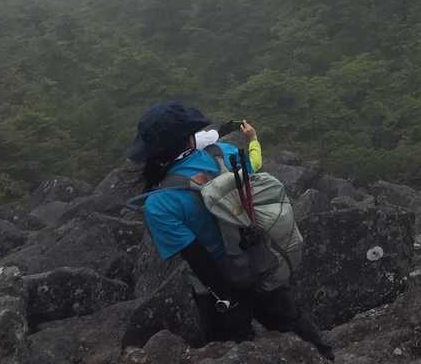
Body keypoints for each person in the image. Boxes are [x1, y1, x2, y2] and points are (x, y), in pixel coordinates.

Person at [128, 101, 333, 359]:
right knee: (292, 323)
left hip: (218, 289)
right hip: (257, 260)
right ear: (190, 138)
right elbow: (252, 180)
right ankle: (326, 356)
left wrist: (228, 298)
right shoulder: (224, 153)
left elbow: (197, 258)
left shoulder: (159, 204)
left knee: (228, 349)